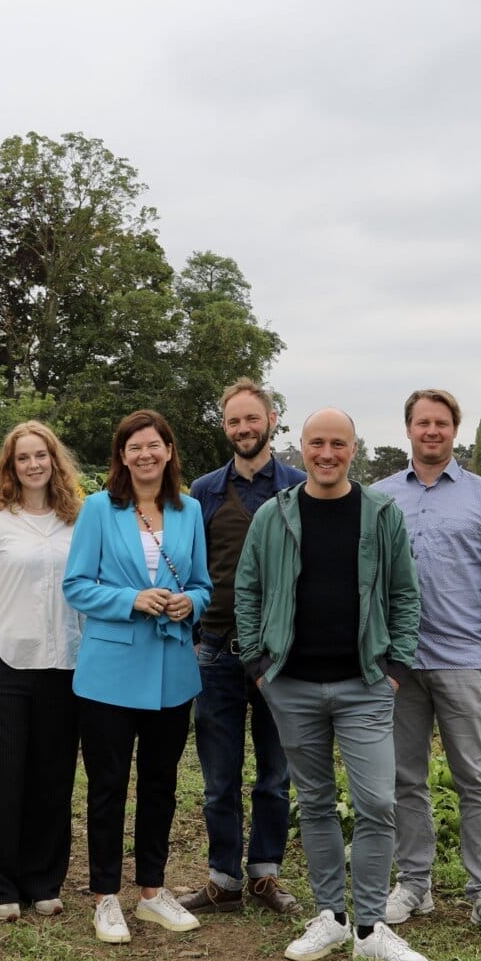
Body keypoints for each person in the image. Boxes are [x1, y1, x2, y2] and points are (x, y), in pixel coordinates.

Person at [235, 408, 429, 961]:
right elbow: (247, 590)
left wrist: (394, 666)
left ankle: (370, 926)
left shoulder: (380, 514)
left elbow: (404, 594)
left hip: (365, 684)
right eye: (316, 443)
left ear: (354, 448)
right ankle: (330, 916)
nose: (326, 453)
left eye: (337, 443)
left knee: (377, 802)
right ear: (301, 447)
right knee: (315, 803)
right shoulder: (275, 516)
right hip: (291, 685)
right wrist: (258, 665)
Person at [373, 389, 481, 943]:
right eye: (422, 423)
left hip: (464, 660)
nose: (431, 431)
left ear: (454, 431)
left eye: (441, 423)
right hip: (398, 665)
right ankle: (414, 883)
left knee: (476, 780)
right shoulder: (379, 497)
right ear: (408, 429)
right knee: (404, 779)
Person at [63, 409, 213, 944]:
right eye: (134, 448)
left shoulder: (189, 510)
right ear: (121, 457)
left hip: (171, 673)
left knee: (160, 785)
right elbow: (76, 585)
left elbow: (202, 584)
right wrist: (131, 599)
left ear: (169, 451)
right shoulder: (100, 510)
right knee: (107, 786)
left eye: (154, 446)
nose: (145, 455)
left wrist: (187, 603)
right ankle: (106, 896)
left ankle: (152, 891)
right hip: (109, 673)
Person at [180, 379, 306, 916]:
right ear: (225, 427)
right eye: (233, 421)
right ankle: (223, 877)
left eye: (251, 419)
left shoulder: (300, 487)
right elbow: (186, 569)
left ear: (271, 419)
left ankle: (265, 875)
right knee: (218, 777)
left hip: (282, 656)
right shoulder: (203, 492)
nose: (243, 429)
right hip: (215, 651)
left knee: (275, 776)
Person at [0, 421, 83, 923]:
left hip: (66, 664)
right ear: (10, 467)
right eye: (22, 458)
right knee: (1, 777)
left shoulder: (78, 519)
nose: (33, 464)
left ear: (55, 461)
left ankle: (43, 880)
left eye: (41, 455)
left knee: (53, 777)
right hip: (4, 662)